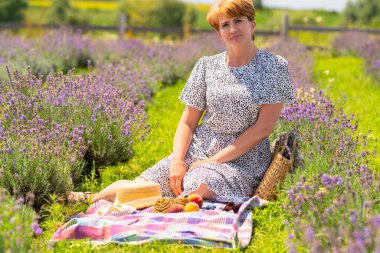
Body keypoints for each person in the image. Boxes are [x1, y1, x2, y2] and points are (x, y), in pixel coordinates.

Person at [69, 0, 296, 204]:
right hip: (197, 150)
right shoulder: (206, 65)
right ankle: (93, 199)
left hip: (242, 160)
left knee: (199, 183)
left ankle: (168, 204)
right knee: (144, 186)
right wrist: (178, 160)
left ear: (252, 25)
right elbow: (187, 122)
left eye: (239, 21)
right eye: (225, 24)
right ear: (219, 33)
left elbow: (263, 128)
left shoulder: (274, 66)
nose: (233, 29)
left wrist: (213, 161)